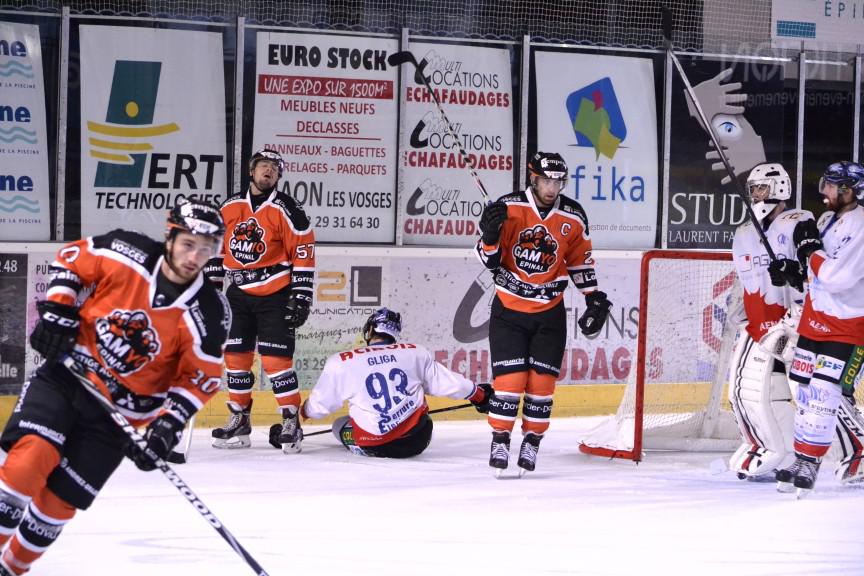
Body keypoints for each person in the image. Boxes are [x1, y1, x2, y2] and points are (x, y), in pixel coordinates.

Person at [0, 200, 229, 576]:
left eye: (206, 249)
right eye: (189, 244)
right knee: (29, 462)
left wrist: (167, 425)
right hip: (68, 378)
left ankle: (11, 569)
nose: (195, 257)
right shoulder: (127, 250)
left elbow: (199, 378)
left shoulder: (209, 312)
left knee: (57, 505)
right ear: (170, 236)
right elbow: (72, 259)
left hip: (118, 418)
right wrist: (58, 312)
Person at [474, 151, 612, 475]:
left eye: (558, 182)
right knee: (510, 382)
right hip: (509, 311)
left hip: (550, 313)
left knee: (541, 385)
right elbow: (490, 262)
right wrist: (490, 237)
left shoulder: (573, 216)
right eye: (547, 181)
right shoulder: (509, 208)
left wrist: (593, 296)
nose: (552, 188)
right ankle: (500, 438)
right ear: (533, 179)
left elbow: (579, 259)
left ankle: (532, 441)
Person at [207, 149, 316, 453]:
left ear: (278, 176)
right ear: (251, 171)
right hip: (238, 294)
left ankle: (291, 421)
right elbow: (216, 249)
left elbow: (303, 251)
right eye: (263, 166)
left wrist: (301, 296)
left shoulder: (288, 208)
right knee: (235, 358)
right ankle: (239, 419)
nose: (268, 171)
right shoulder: (230, 207)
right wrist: (212, 293)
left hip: (275, 294)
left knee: (276, 362)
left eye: (274, 169)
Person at [771, 161, 864, 495]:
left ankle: (812, 462)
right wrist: (794, 270)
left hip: (848, 326)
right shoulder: (826, 220)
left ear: (849, 191)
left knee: (825, 393)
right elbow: (816, 274)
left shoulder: (862, 225)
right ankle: (801, 457)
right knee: (806, 392)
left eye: (831, 186)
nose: (824, 192)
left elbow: (838, 277)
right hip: (814, 321)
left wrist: (809, 251)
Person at [299, 308, 492, 458]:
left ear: (370, 330)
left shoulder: (342, 361)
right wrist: (480, 396)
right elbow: (453, 384)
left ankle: (361, 443)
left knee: (339, 424)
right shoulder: (415, 352)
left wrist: (300, 415)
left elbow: (318, 407)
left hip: (373, 443)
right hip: (418, 440)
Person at [725, 163, 813, 480]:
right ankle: (770, 448)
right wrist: (741, 310)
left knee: (811, 395)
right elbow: (747, 280)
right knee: (745, 391)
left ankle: (846, 452)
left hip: (795, 326)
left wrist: (795, 271)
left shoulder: (799, 221)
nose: (756, 195)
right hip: (760, 328)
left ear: (779, 189)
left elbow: (815, 267)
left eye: (762, 188)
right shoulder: (745, 233)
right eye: (753, 189)